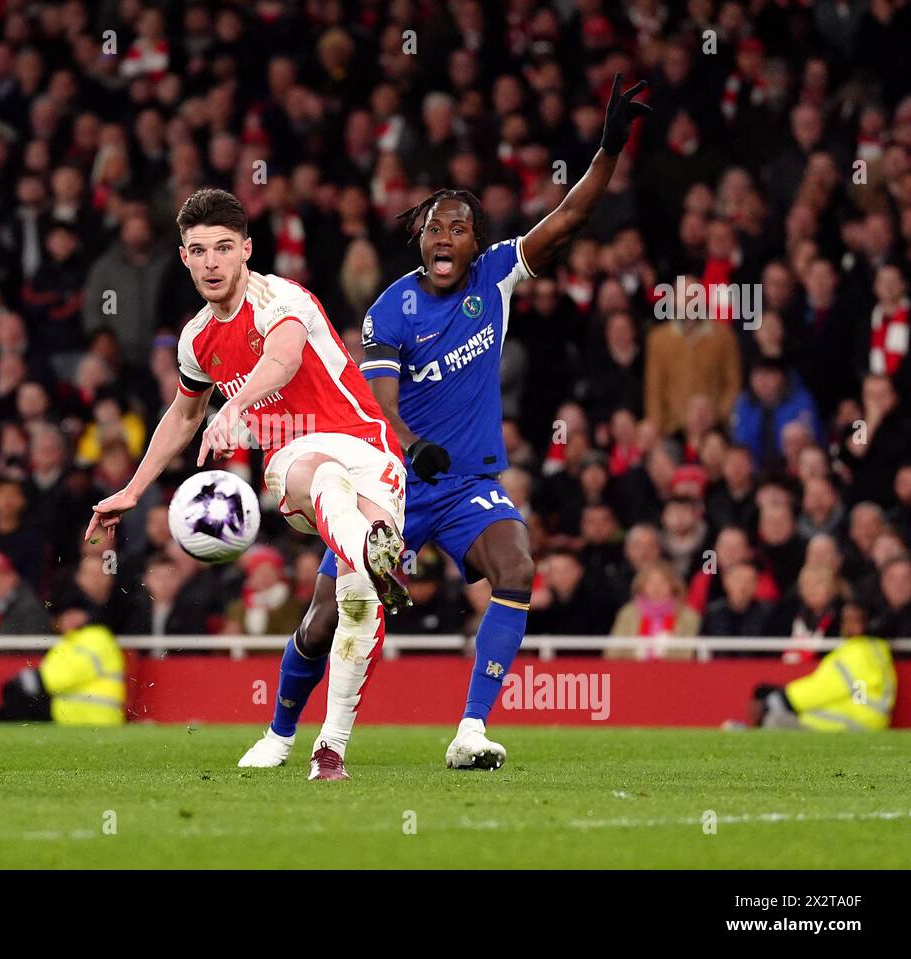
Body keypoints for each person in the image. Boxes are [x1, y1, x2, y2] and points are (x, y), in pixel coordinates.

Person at [239, 74, 652, 774]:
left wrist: (607, 150)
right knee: (327, 617)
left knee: (517, 564)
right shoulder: (390, 311)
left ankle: (469, 730)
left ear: (475, 243)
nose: (444, 235)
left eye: (458, 227)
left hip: (464, 485)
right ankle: (279, 734)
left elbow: (570, 218)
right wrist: (413, 445)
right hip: (393, 483)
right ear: (418, 239)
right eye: (433, 226)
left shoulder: (495, 276)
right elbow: (380, 406)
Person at [86, 187, 412, 782]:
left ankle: (325, 750)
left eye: (223, 248)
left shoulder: (279, 296)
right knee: (317, 475)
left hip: (371, 451)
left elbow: (284, 358)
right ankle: (369, 547)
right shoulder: (194, 339)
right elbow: (184, 415)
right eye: (198, 250)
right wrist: (133, 489)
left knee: (351, 600)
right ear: (183, 258)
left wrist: (237, 408)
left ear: (246, 252)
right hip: (295, 458)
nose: (211, 262)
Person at [751, 602, 897, 731]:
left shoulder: (857, 651)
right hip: (865, 720)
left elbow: (825, 688)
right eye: (846, 620)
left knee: (775, 721)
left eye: (854, 620)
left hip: (853, 723)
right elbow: (854, 691)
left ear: (868, 623)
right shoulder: (876, 650)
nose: (847, 625)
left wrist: (781, 699)